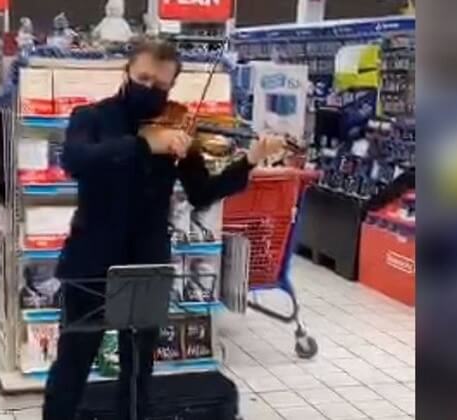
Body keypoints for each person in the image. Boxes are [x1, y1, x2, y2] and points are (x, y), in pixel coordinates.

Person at [42, 39, 287, 420]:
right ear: (126, 71)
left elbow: (202, 192)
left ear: (172, 86)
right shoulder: (90, 117)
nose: (150, 90)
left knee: (139, 371)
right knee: (72, 365)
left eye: (161, 85)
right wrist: (142, 145)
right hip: (90, 260)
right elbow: (75, 160)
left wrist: (249, 160)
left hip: (147, 261)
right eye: (143, 78)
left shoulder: (176, 126)